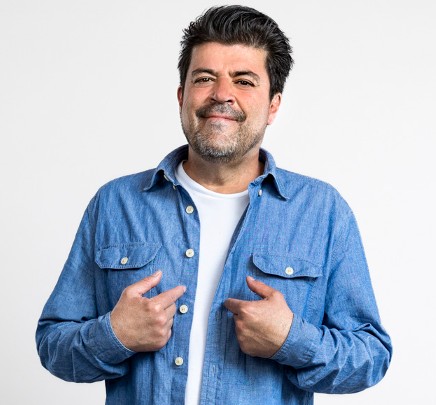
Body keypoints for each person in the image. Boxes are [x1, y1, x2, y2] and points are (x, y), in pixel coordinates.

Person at [36, 5, 392, 404]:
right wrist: (115, 335)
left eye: (244, 81)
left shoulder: (322, 212)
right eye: (205, 78)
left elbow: (370, 357)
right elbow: (53, 344)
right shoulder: (116, 204)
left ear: (273, 105)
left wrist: (290, 340)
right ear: (182, 96)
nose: (222, 94)